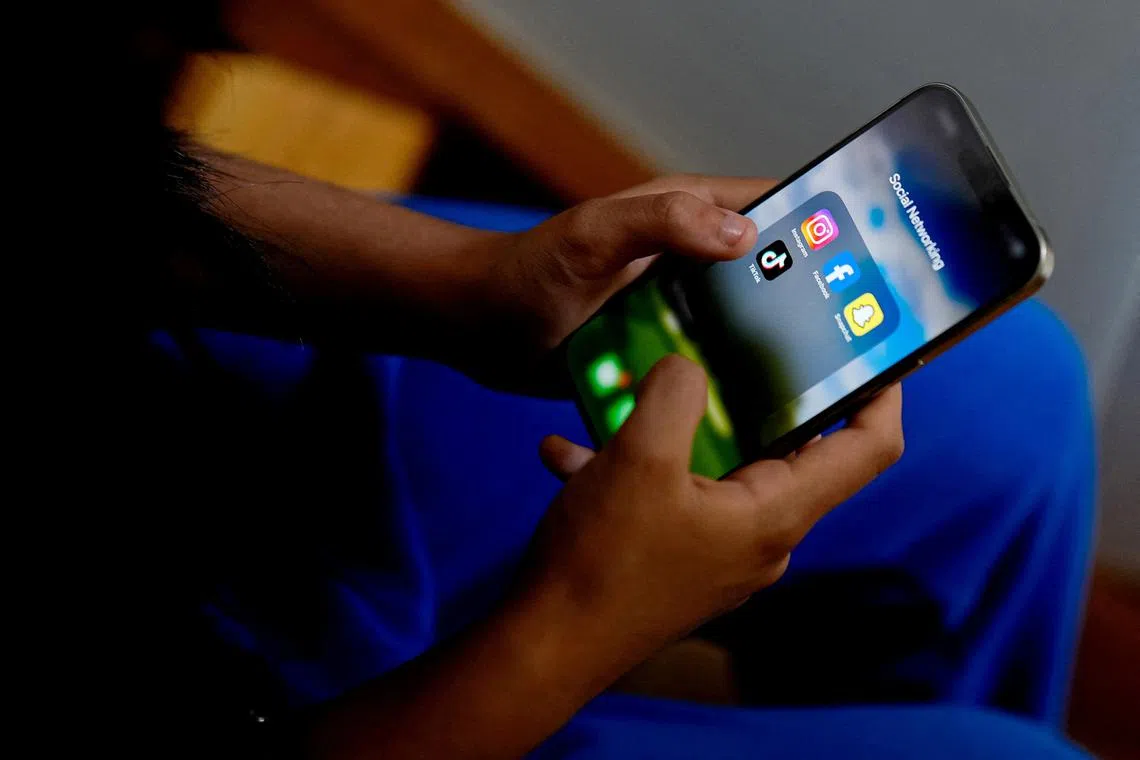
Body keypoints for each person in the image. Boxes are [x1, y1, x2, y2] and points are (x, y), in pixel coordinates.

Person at [40, 3, 1094, 758]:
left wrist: (463, 285)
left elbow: (105, 180)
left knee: (1024, 388)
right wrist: (572, 627)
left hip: (205, 384)